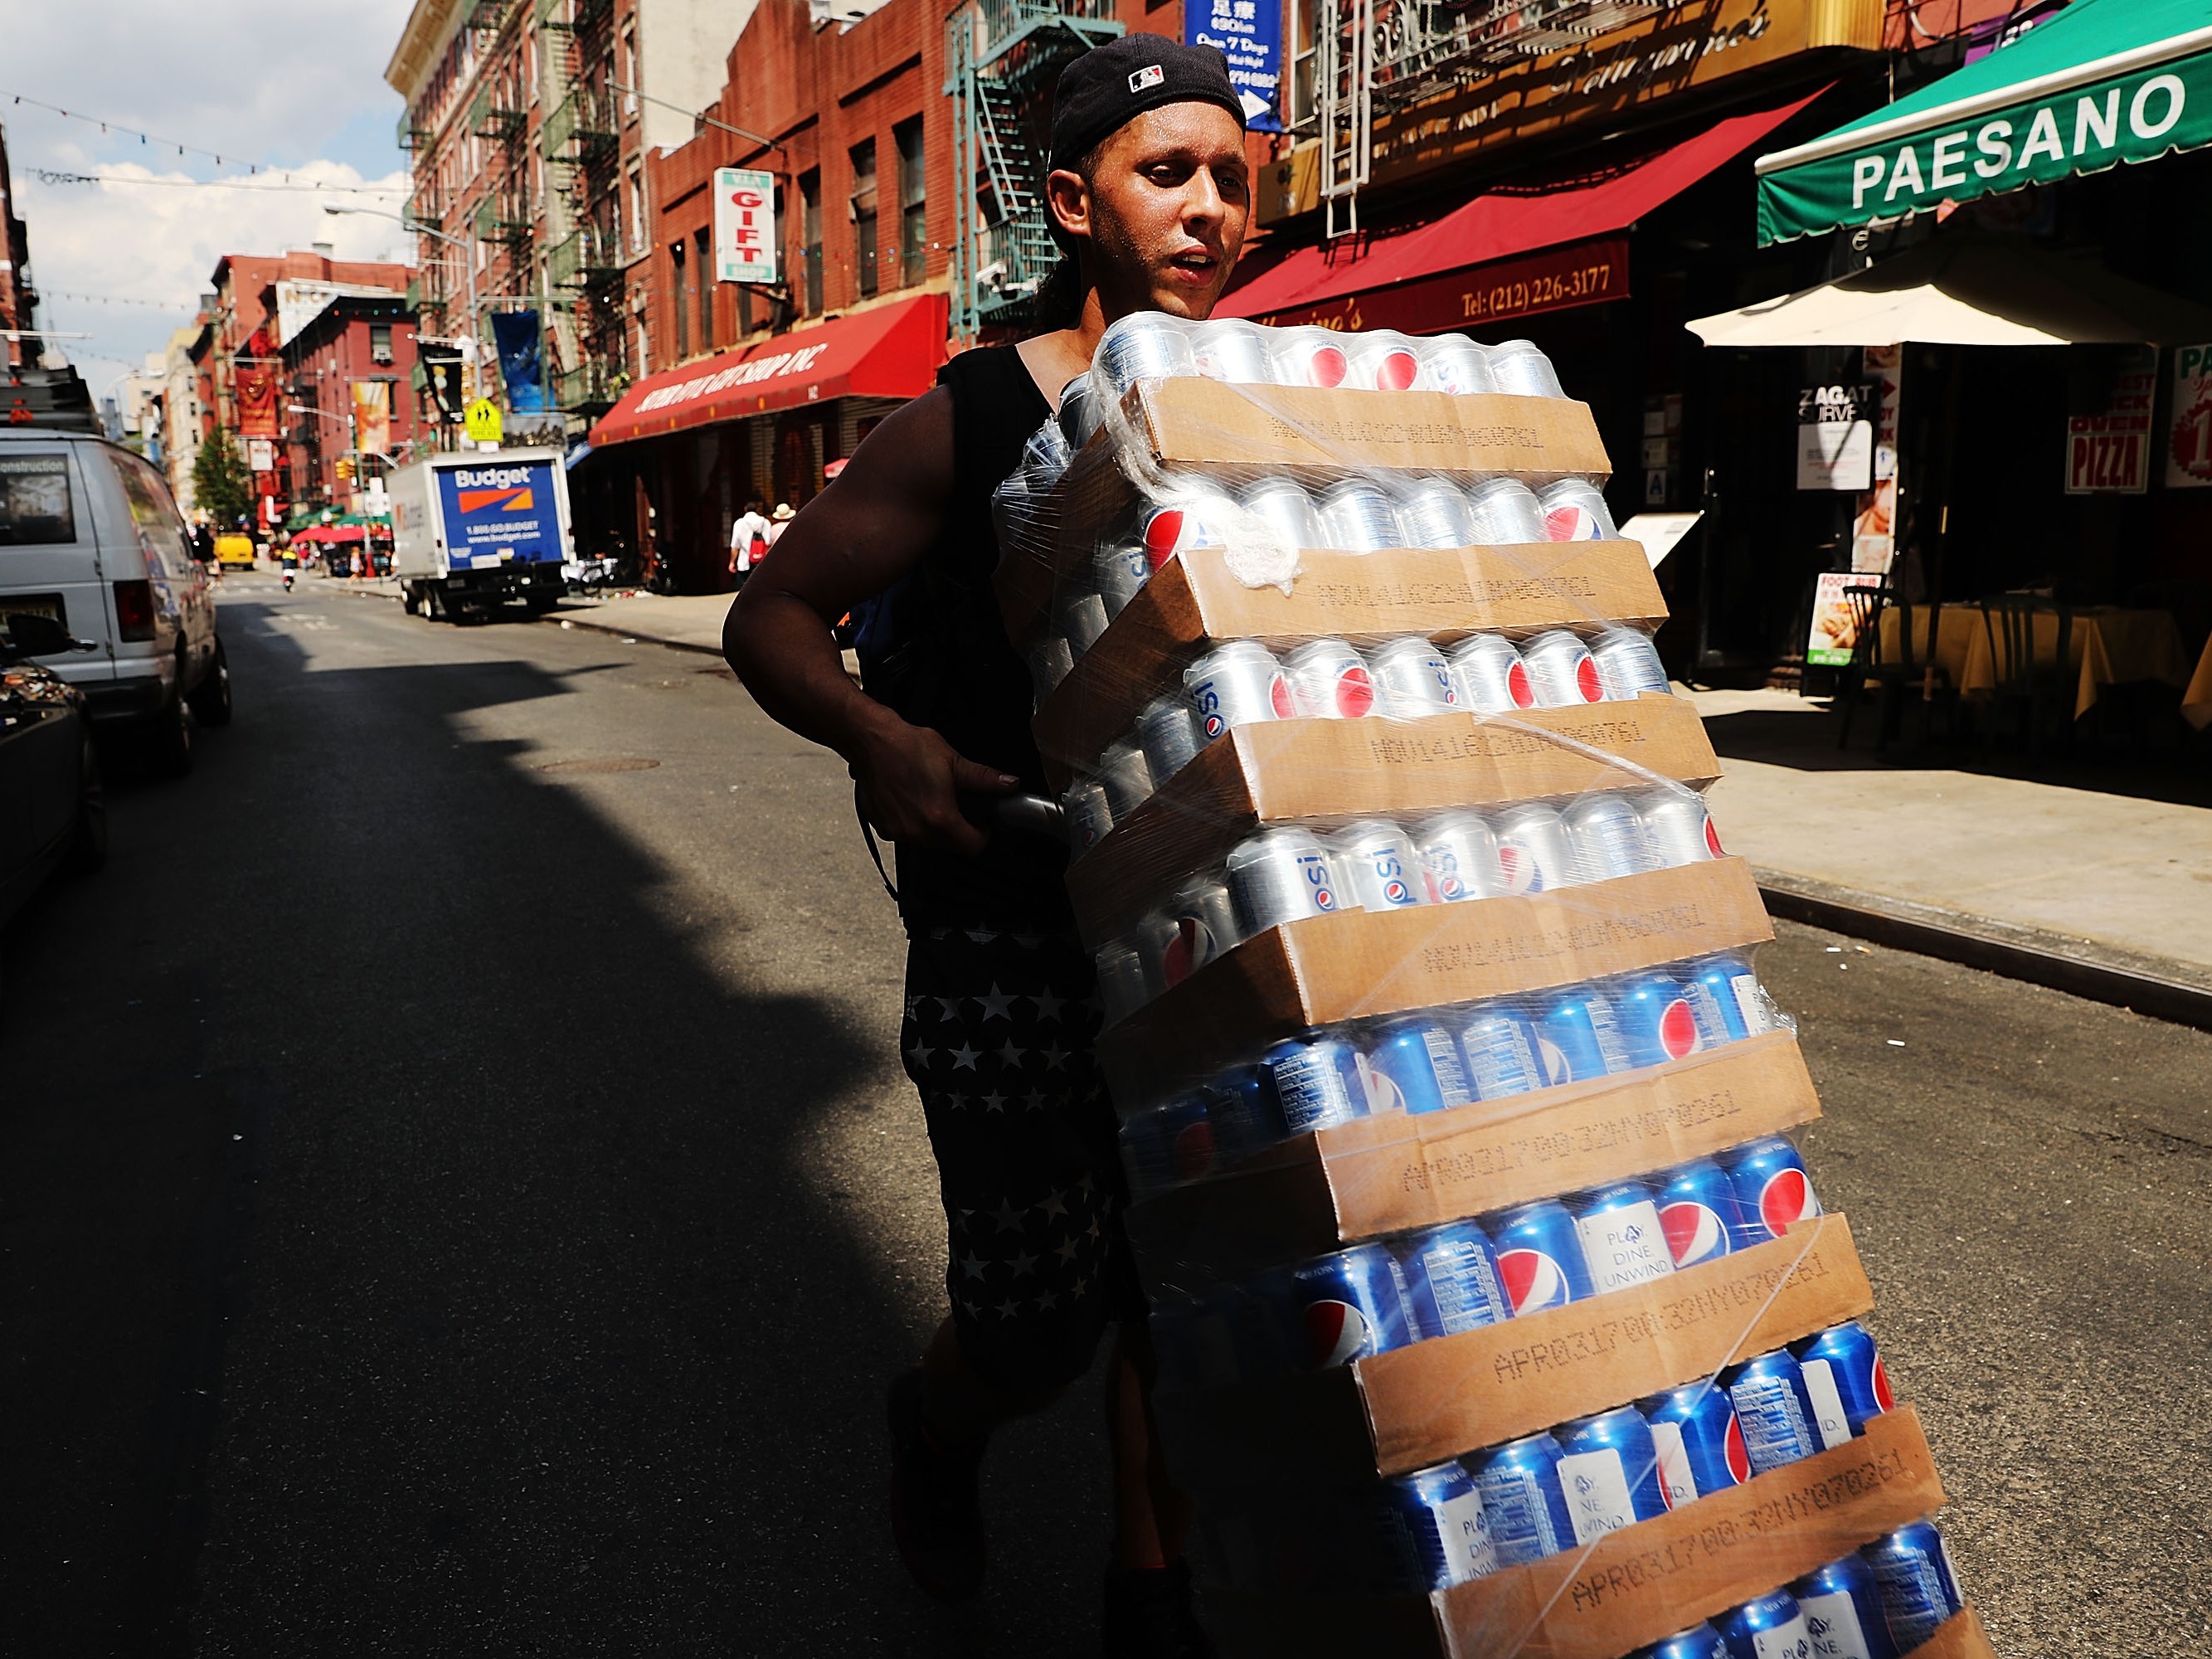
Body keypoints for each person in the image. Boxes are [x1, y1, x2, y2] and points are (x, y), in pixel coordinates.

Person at [725, 36, 1249, 1657]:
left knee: (1186, 1273)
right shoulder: (975, 413)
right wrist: (882, 737)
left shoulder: (1248, 406)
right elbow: (772, 614)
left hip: (1196, 915)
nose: (1213, 207)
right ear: (1072, 200)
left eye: (1233, 176)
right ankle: (937, 1425)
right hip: (1008, 923)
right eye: (1171, 174)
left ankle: (1146, 1590)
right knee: (1035, 1316)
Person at [729, 499, 772, 583]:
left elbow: (735, 546)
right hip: (762, 563)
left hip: (744, 562)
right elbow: (769, 543)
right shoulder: (765, 522)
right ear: (757, 510)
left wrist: (732, 562)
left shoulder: (739, 523)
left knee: (742, 591)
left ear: (745, 509)